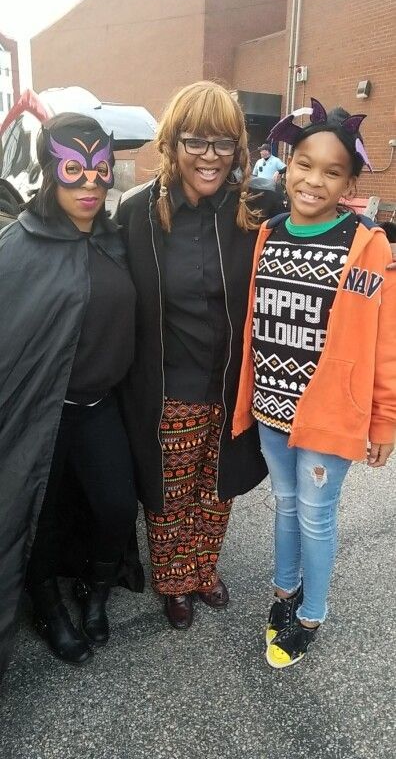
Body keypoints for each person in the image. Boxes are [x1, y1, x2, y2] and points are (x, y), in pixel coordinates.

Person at [233, 98, 396, 668]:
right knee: (283, 505)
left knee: (315, 514)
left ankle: (310, 614)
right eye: (304, 164)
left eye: (332, 171)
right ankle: (284, 591)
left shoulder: (367, 244)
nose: (313, 180)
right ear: (286, 166)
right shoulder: (269, 232)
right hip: (271, 404)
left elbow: (384, 340)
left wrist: (384, 419)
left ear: (349, 183)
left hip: (329, 413)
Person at [117, 80, 284, 630]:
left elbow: (317, 229)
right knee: (171, 493)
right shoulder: (138, 214)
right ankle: (174, 581)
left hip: (232, 383)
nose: (210, 156)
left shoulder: (252, 210)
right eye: (196, 141)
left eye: (223, 143)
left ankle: (203, 569)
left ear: (238, 148)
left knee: (217, 487)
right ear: (172, 143)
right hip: (169, 385)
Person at [0, 112, 139, 674]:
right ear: (49, 171)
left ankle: (95, 588)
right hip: (41, 412)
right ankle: (48, 608)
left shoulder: (116, 240)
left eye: (100, 170)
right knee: (38, 514)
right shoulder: (19, 248)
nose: (90, 184)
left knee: (115, 505)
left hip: (99, 406)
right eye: (73, 170)